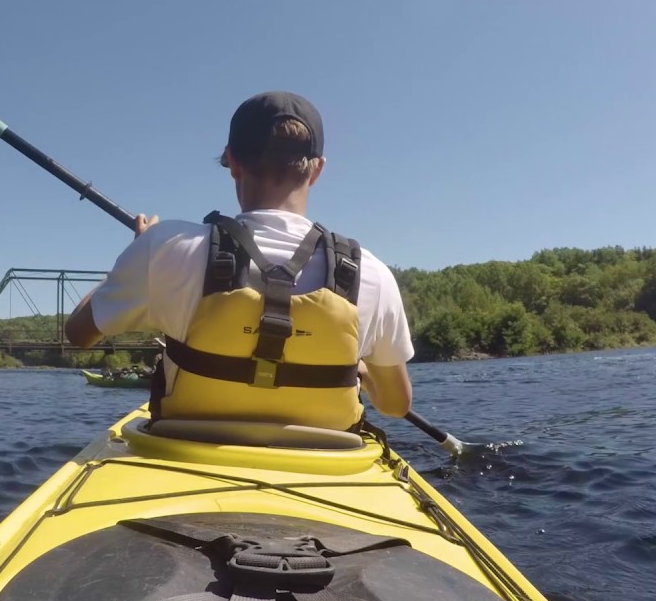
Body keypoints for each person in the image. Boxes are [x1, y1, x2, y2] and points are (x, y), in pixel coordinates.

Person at [64, 90, 413, 432]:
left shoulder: (163, 247)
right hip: (326, 467)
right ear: (317, 170)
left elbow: (79, 333)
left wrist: (138, 252)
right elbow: (397, 405)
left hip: (187, 453)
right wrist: (363, 373)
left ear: (232, 161)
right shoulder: (373, 273)